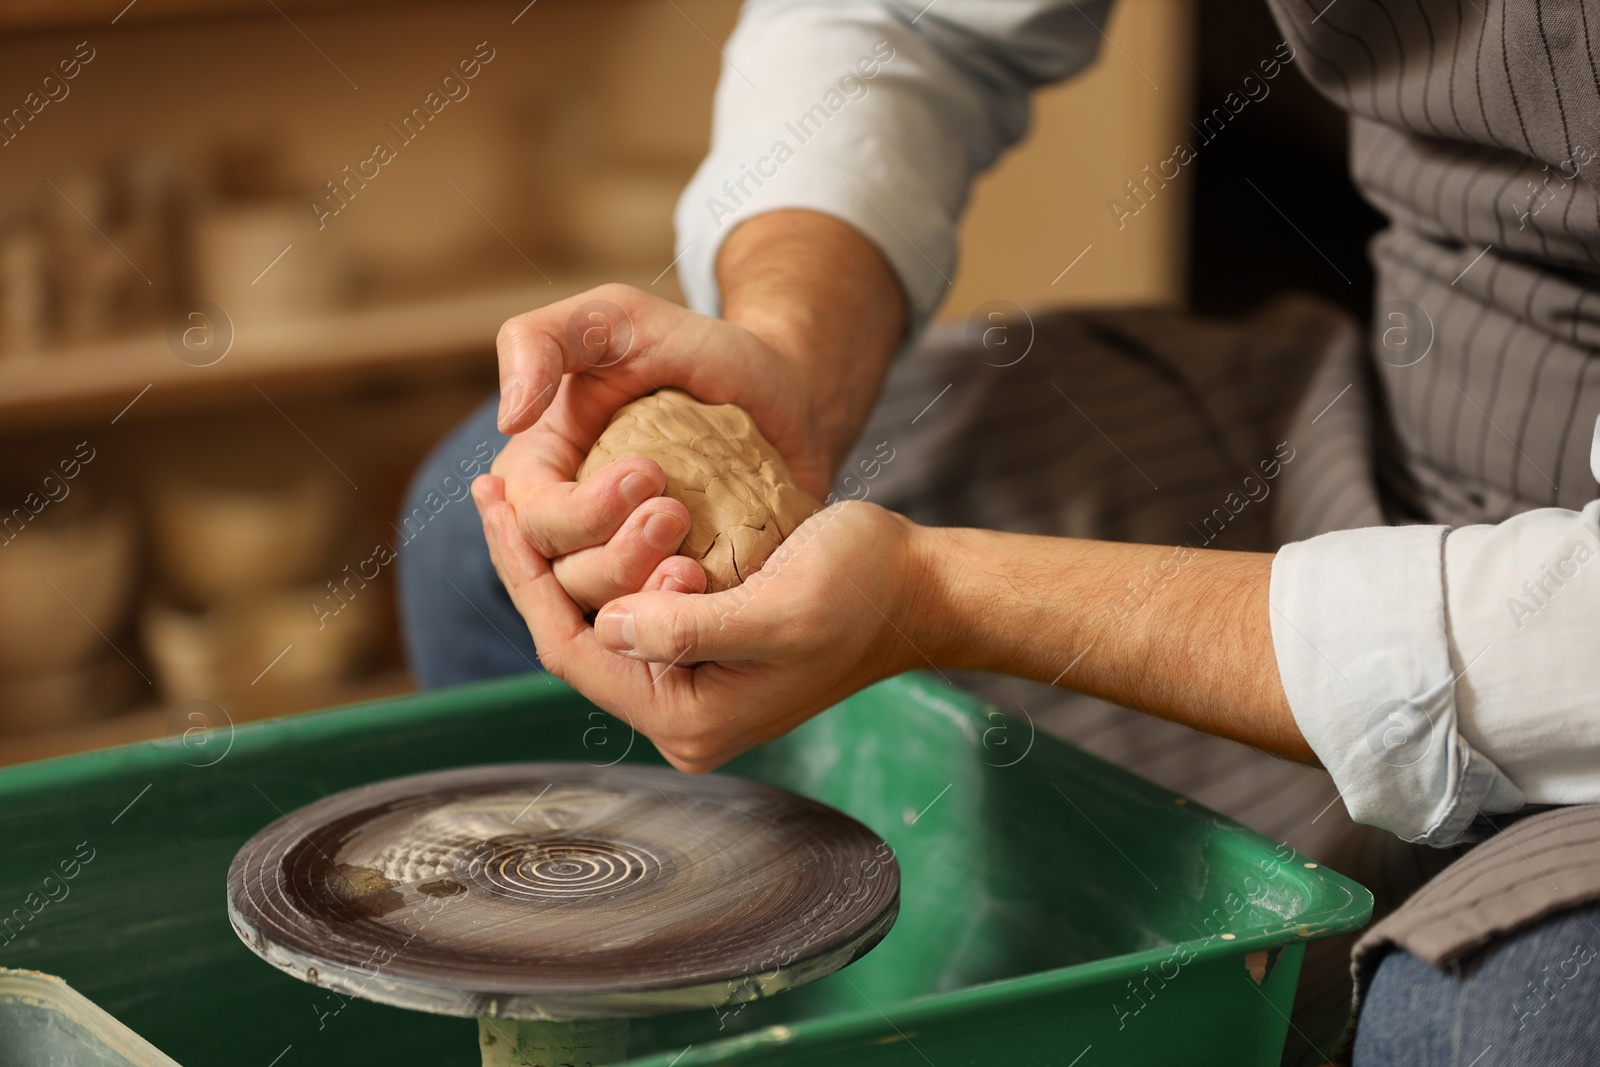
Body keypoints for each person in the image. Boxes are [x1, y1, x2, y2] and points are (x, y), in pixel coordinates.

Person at [399, 3, 1600, 1063]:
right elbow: (913, 19)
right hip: (1413, 391)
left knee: (1489, 1019)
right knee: (485, 540)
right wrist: (788, 361)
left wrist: (944, 593)